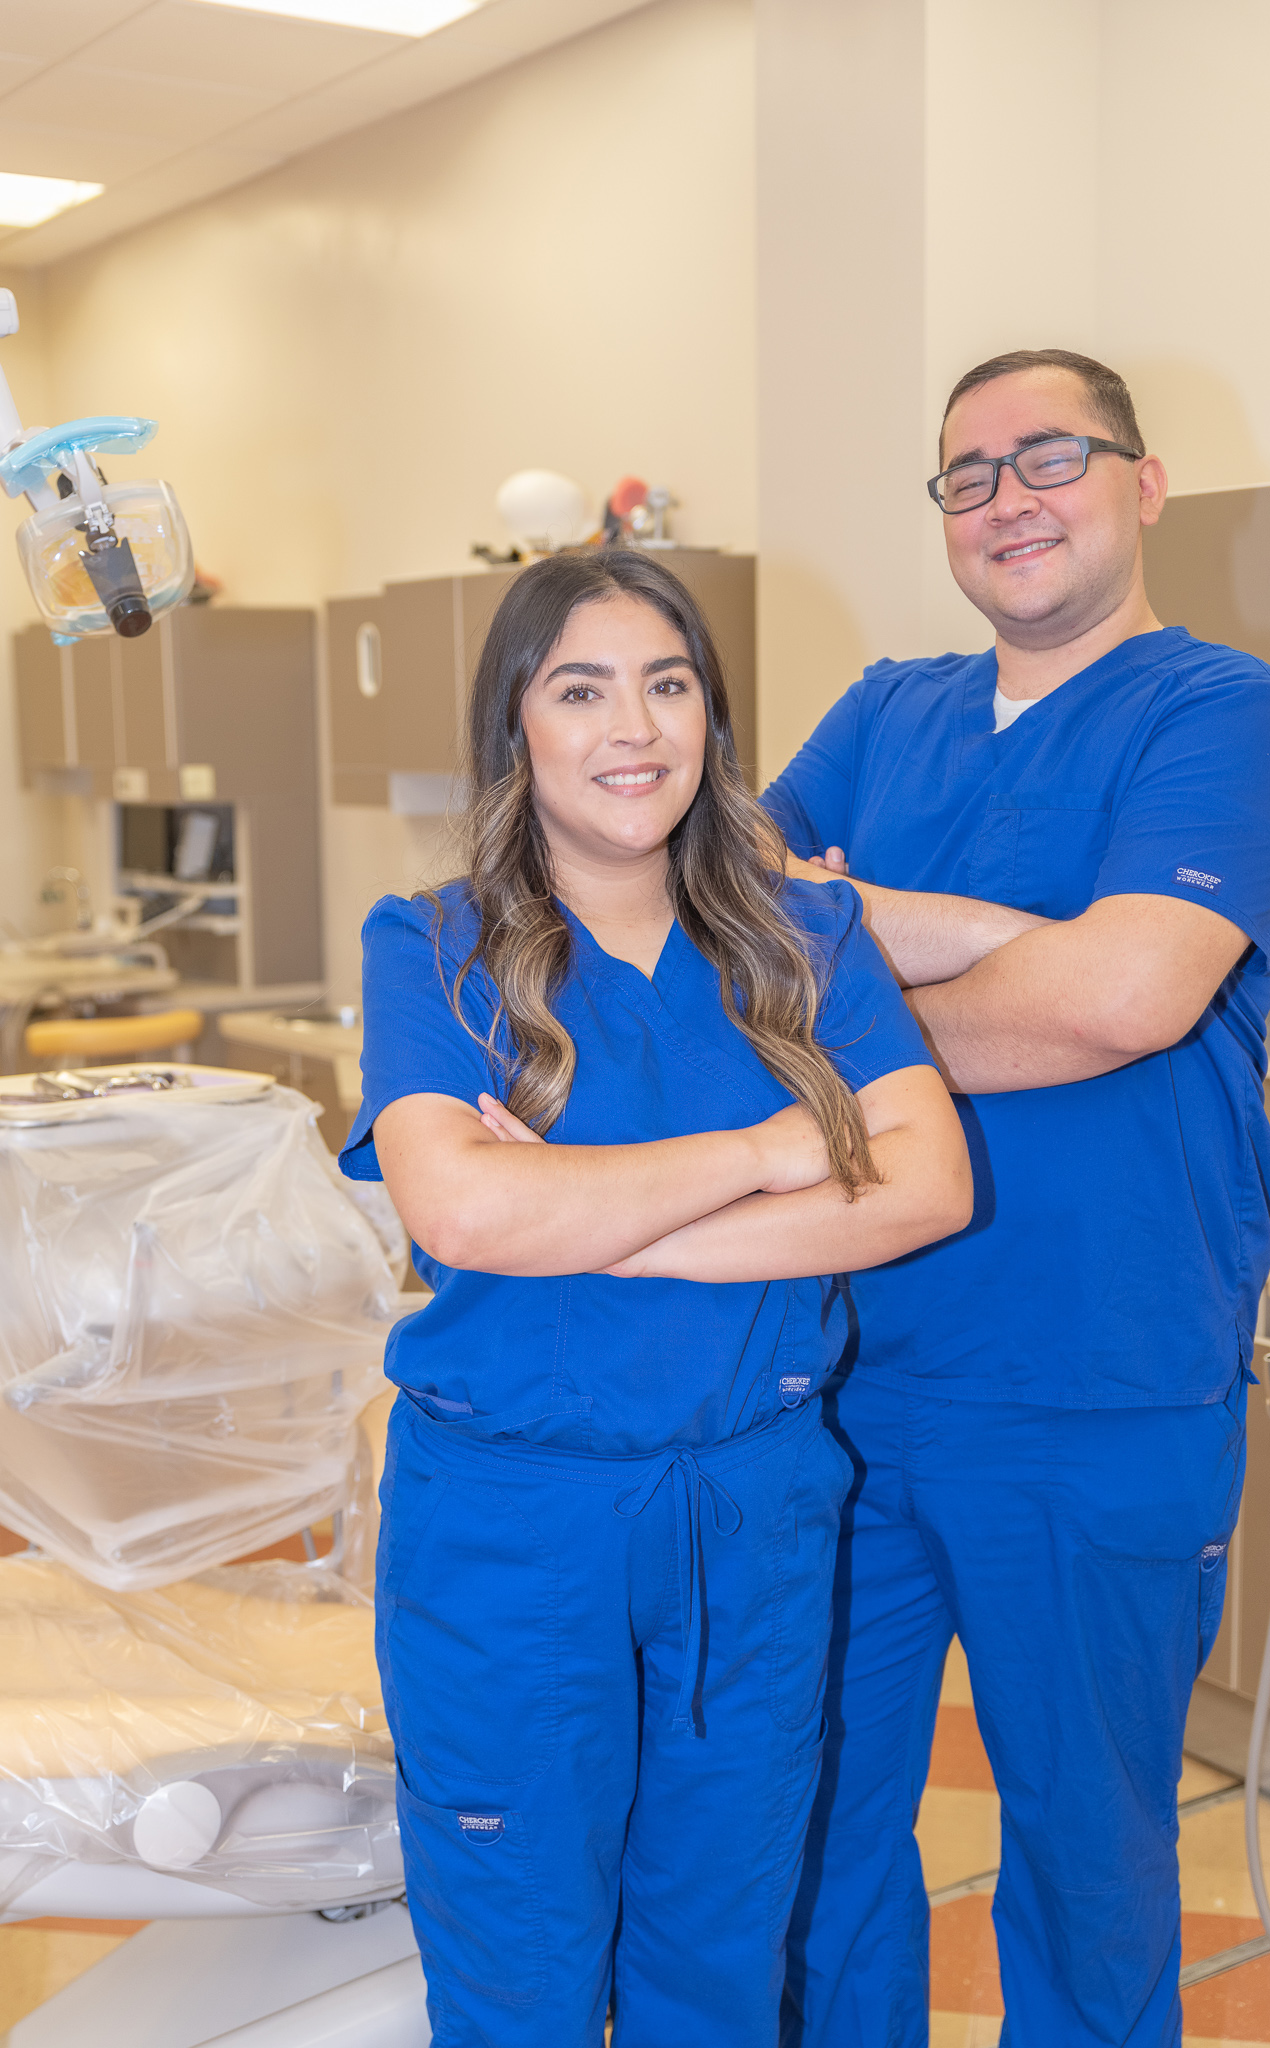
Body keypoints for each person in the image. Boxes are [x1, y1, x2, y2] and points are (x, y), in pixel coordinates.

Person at [337, 549, 971, 2048]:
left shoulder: (801, 940)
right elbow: (465, 1206)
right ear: (518, 726)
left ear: (712, 719)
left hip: (750, 1514)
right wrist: (772, 1153)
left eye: (668, 685)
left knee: (721, 1961)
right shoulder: (433, 946)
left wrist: (602, 1223)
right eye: (581, 688)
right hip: (512, 1531)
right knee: (521, 1973)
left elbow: (930, 1183)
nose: (634, 728)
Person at [764, 348, 1270, 2047]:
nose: (1006, 498)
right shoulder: (883, 706)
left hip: (1095, 1382)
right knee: (807, 1836)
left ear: (1142, 485)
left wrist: (853, 948)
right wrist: (1028, 946)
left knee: (1083, 1862)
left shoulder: (1218, 714)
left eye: (1048, 457)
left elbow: (1122, 1004)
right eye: (965, 473)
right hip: (844, 1373)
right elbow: (720, 930)